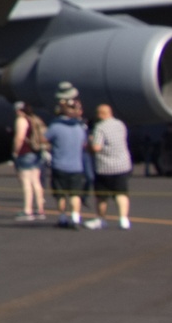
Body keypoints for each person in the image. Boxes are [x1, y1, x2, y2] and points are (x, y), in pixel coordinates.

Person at [45, 94, 91, 228]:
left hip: (59, 165)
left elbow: (44, 139)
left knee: (60, 194)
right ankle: (76, 218)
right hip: (76, 166)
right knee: (75, 194)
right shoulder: (79, 128)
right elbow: (84, 144)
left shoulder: (55, 127)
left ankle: (63, 217)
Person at [89, 102, 133, 230]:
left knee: (102, 196)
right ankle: (123, 219)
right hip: (122, 164)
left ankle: (101, 219)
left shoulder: (100, 127)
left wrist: (90, 143)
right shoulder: (120, 124)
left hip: (105, 167)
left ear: (101, 114)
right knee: (121, 193)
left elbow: (96, 147)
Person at [12, 102, 49, 221]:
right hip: (36, 152)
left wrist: (15, 152)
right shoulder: (34, 119)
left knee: (26, 182)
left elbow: (20, 137)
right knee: (36, 182)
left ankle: (28, 210)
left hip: (26, 152)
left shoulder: (21, 120)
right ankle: (40, 209)